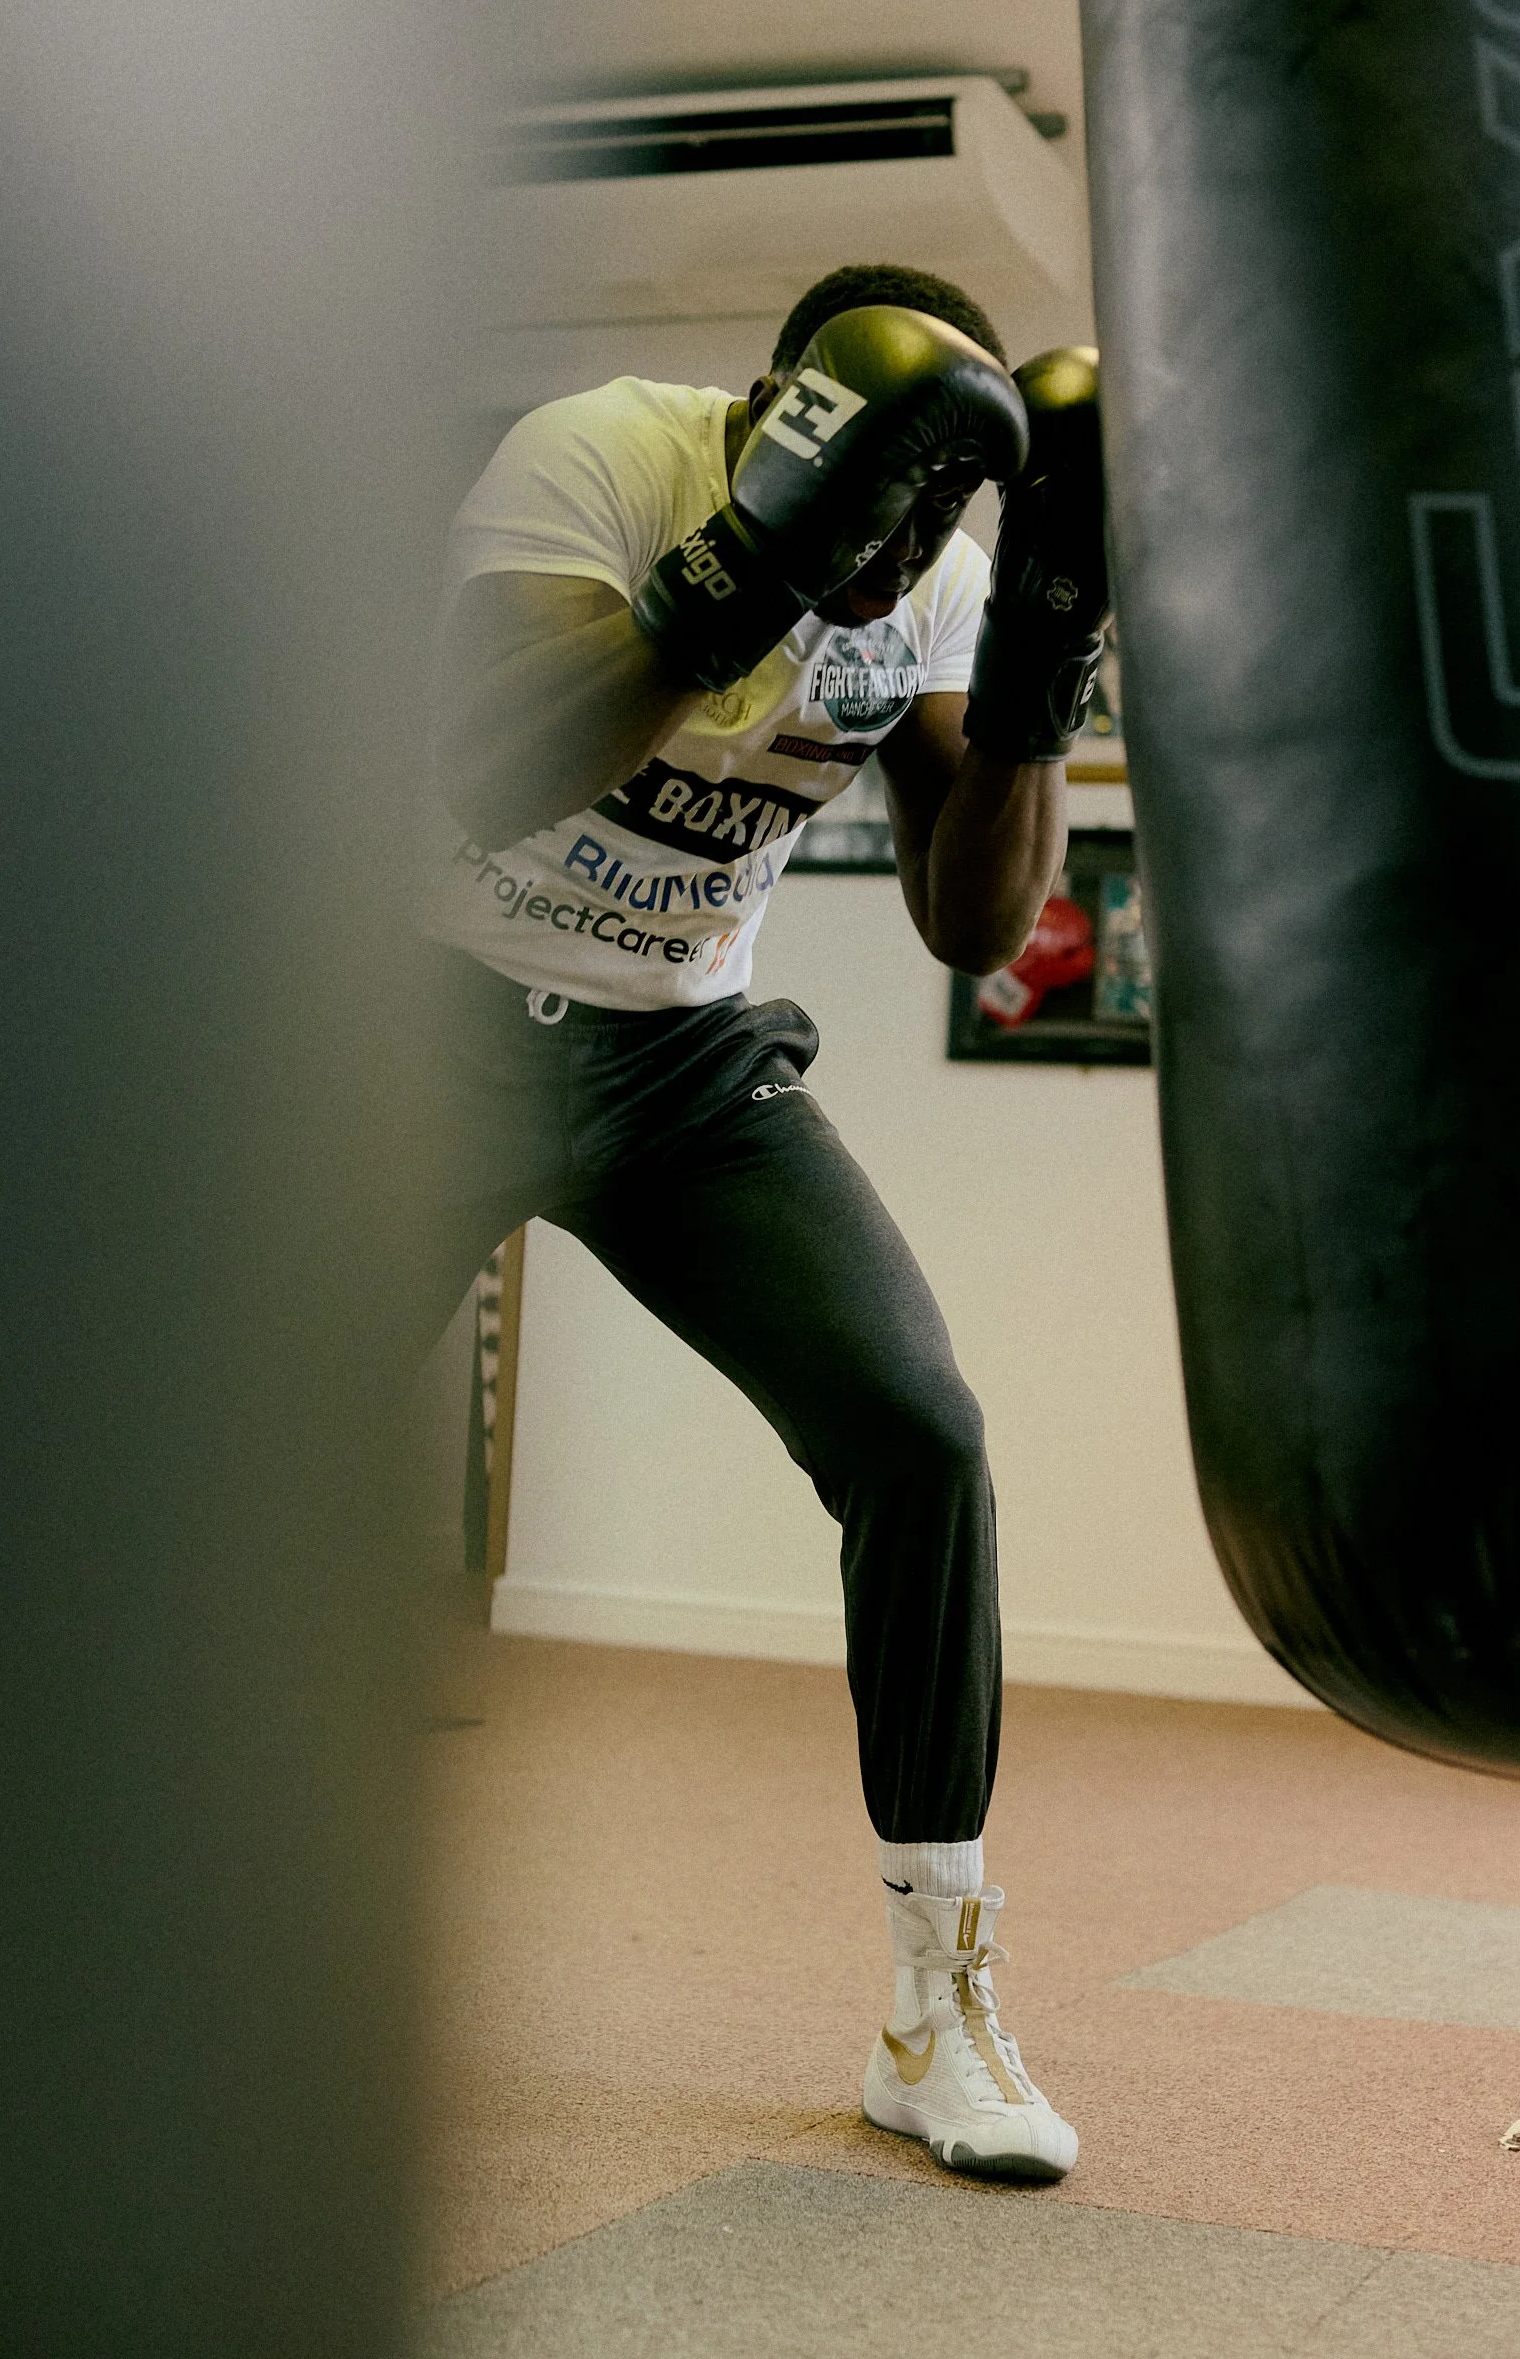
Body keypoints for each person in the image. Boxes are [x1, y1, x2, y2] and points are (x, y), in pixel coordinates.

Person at [422, 262, 1107, 2180]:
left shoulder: (943, 578)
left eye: (927, 529)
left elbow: (977, 927)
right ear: (792, 431)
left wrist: (1038, 690)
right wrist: (760, 561)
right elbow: (483, 773)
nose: (897, 568)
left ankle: (936, 2004)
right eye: (875, 510)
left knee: (920, 1434)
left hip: (682, 1068)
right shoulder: (603, 457)